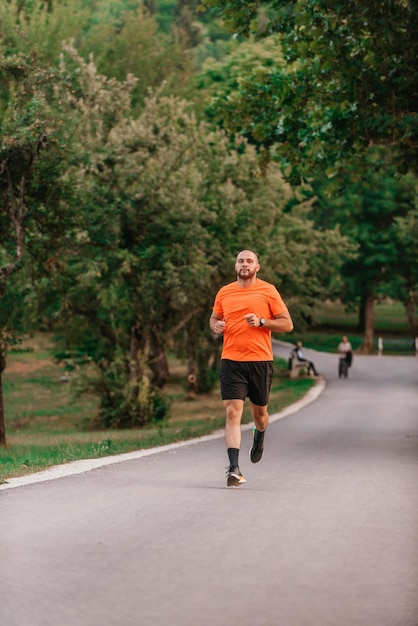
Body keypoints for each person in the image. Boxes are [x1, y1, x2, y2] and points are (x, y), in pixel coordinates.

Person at [209, 250, 293, 487]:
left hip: (260, 361)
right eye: (240, 261)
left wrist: (263, 322)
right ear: (235, 266)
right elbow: (213, 318)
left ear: (257, 267)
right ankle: (233, 469)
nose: (244, 264)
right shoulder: (224, 292)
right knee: (232, 412)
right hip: (231, 360)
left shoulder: (268, 290)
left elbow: (288, 324)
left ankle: (260, 436)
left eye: (249, 261)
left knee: (260, 416)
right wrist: (216, 325)